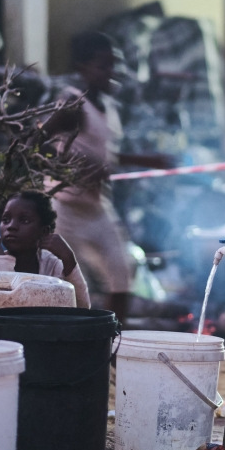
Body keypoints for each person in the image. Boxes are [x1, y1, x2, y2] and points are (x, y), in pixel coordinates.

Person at [51, 31, 172, 323]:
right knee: (60, 281)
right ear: (82, 67)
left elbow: (106, 157)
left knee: (121, 273)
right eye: (103, 65)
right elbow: (39, 141)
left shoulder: (109, 108)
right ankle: (66, 335)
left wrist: (147, 160)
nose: (111, 72)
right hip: (64, 207)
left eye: (113, 64)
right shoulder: (72, 103)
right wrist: (72, 166)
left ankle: (111, 337)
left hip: (96, 206)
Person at [0, 192, 91, 308]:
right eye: (6, 220)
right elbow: (6, 305)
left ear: (44, 232)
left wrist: (69, 259)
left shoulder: (53, 267)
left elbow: (82, 308)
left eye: (24, 220)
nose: (11, 226)